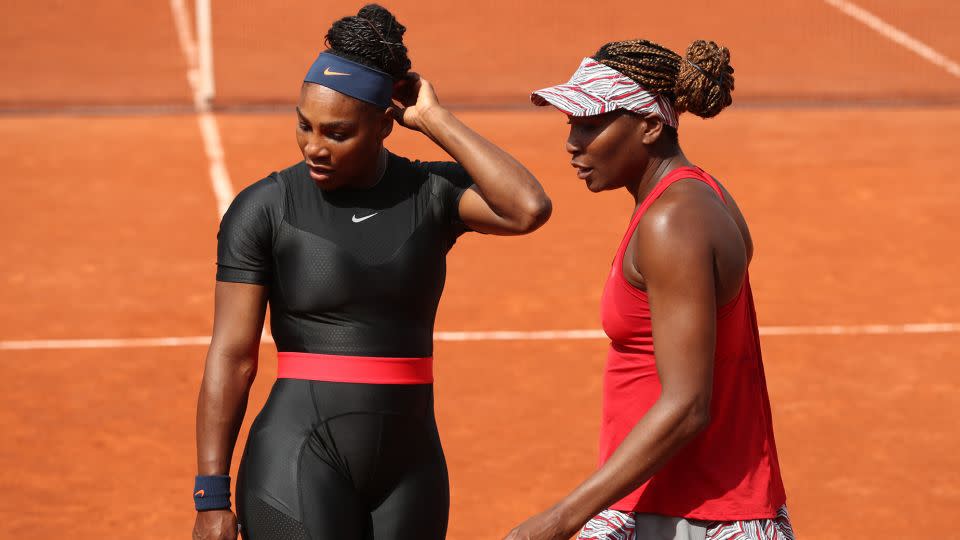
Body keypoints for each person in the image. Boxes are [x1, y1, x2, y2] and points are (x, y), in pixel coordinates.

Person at [191, 5, 552, 539]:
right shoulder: (265, 208)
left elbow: (527, 208)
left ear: (386, 124)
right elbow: (233, 354)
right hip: (296, 457)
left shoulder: (430, 193)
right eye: (303, 125)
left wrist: (434, 119)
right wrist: (211, 495)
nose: (314, 146)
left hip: (411, 467)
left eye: (337, 133)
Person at [504, 39, 792, 540]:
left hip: (691, 516)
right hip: (667, 504)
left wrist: (557, 522)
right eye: (571, 124)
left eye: (591, 124)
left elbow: (687, 406)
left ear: (651, 126)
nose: (572, 142)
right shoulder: (701, 194)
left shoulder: (673, 221)